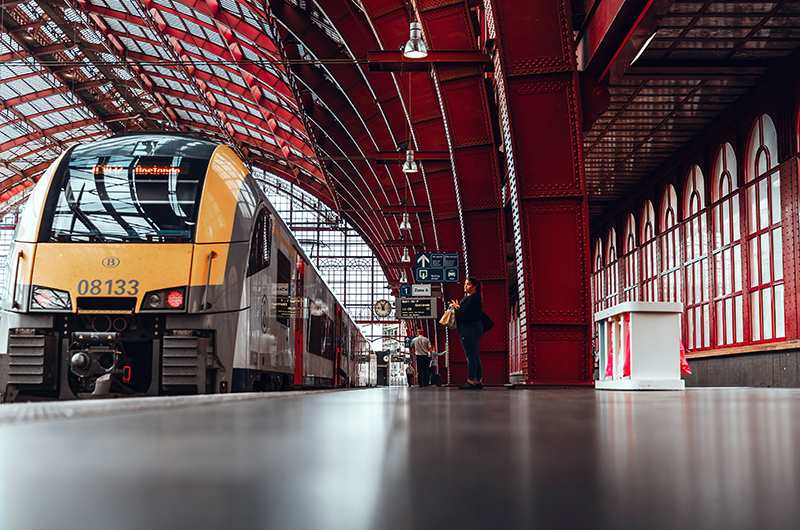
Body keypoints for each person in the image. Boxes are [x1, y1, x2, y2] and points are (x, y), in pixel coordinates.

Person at [450, 276, 484, 389]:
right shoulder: (473, 298)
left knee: (470, 356)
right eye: (465, 284)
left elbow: (466, 314)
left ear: (474, 287)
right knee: (475, 356)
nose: (465, 286)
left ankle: (470, 381)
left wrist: (457, 307)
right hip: (473, 329)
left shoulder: (473, 298)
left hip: (469, 329)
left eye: (468, 284)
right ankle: (478, 381)